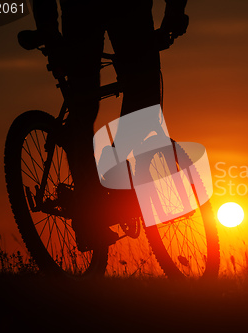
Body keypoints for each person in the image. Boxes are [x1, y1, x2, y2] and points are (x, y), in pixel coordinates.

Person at [31, 0, 189, 251]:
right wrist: (174, 15)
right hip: (124, 11)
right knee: (140, 96)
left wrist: (48, 28)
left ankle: (92, 214)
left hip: (84, 12)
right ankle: (95, 207)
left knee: (85, 106)